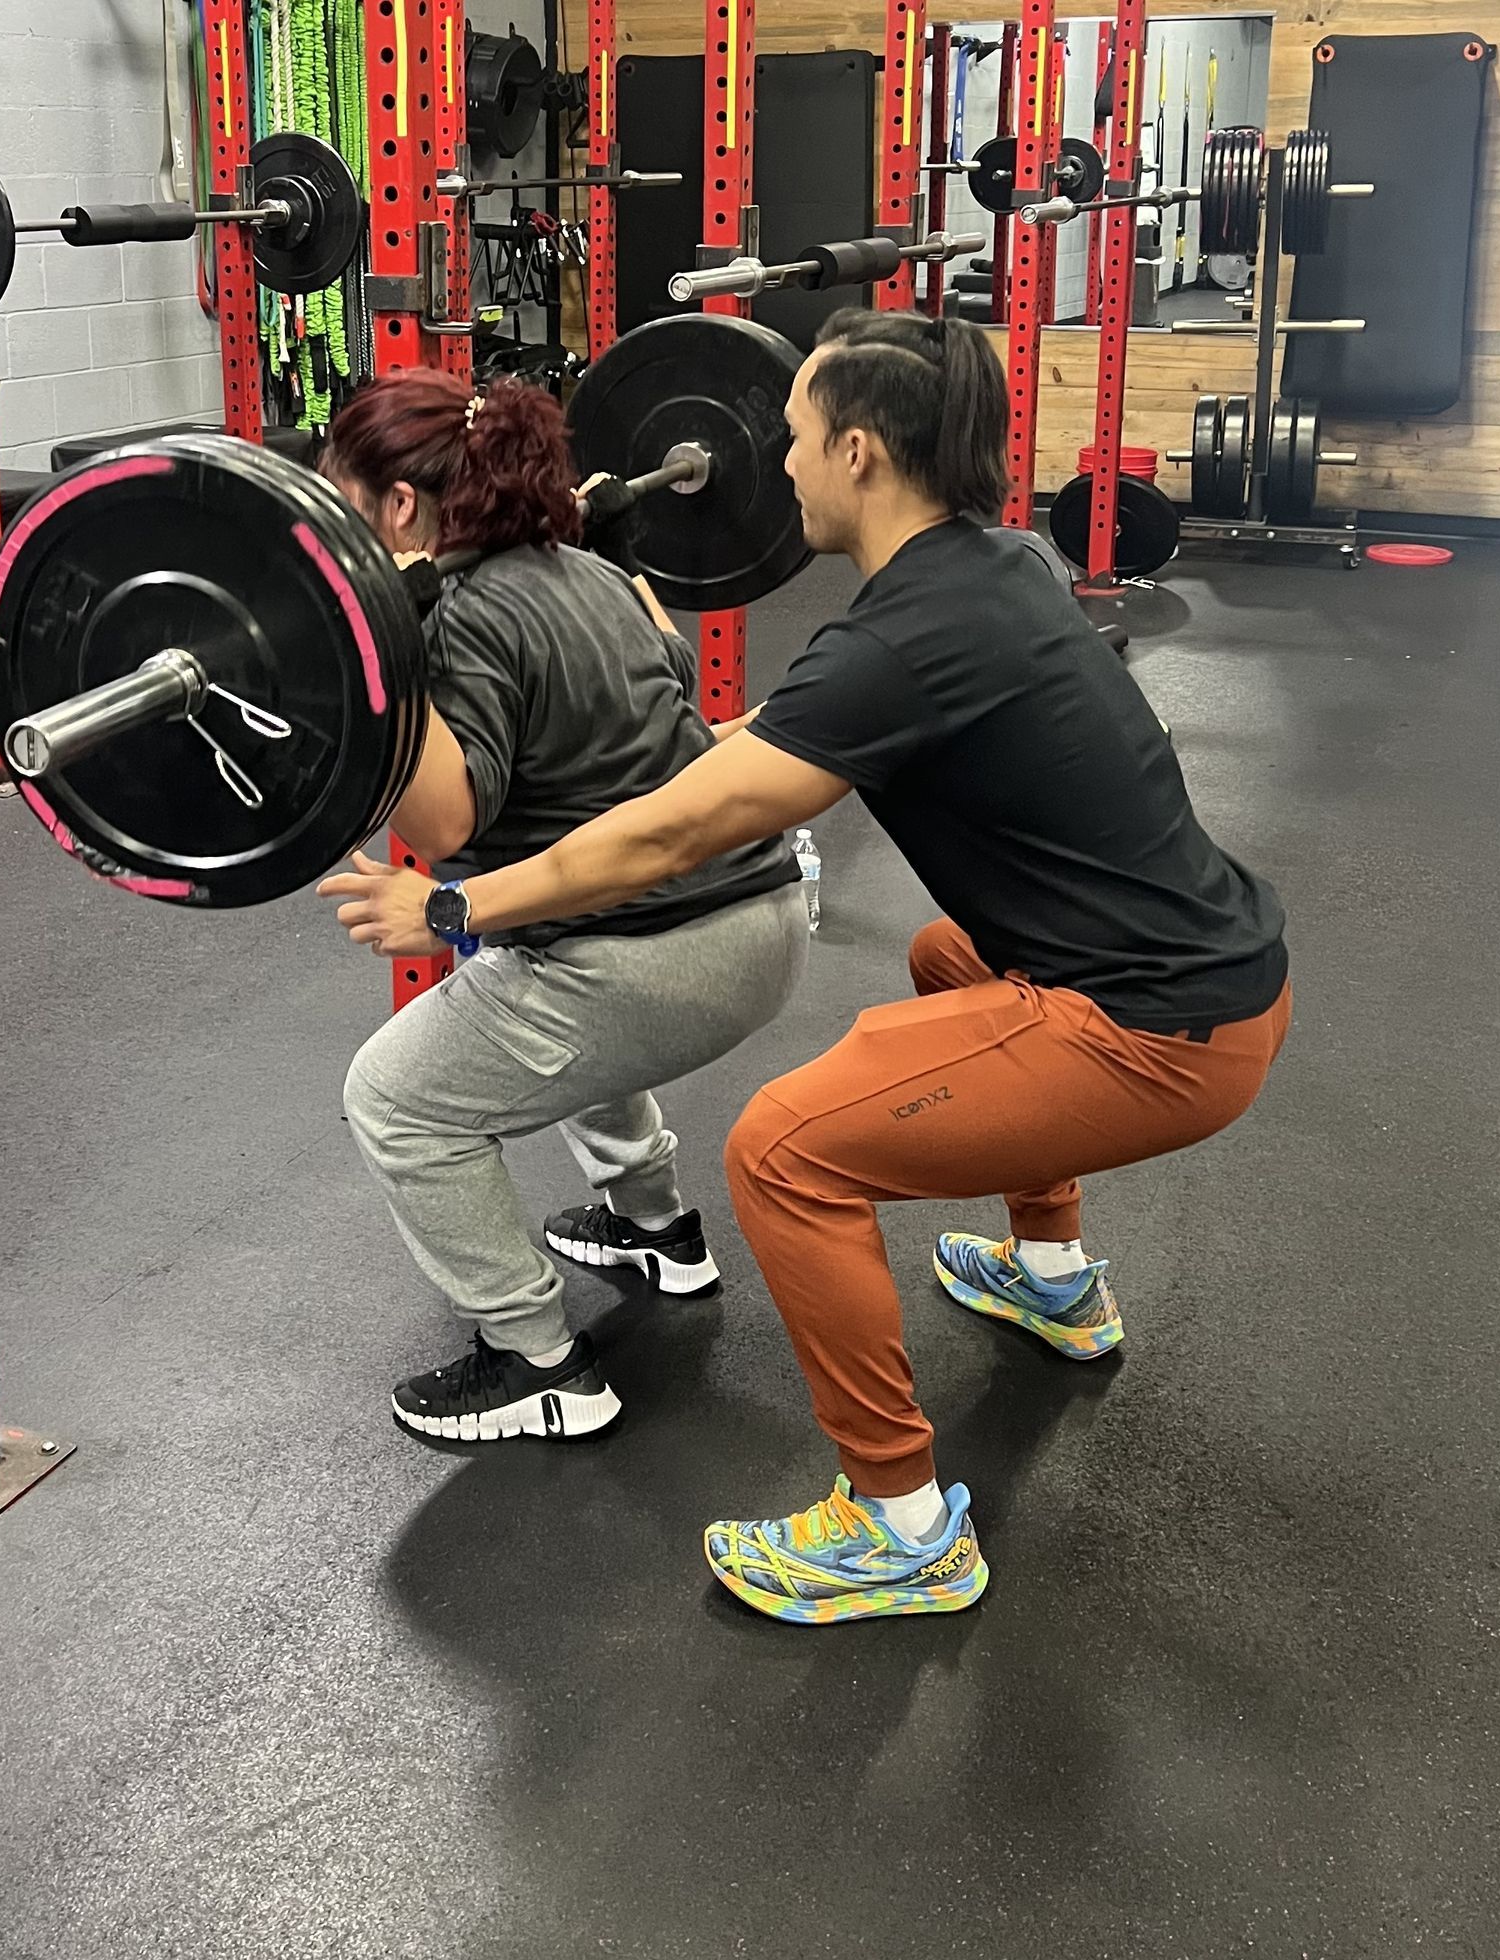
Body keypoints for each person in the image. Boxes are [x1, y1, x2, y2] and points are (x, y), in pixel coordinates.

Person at [324, 310, 1289, 1624]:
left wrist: (460, 906)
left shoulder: (897, 641)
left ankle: (898, 1525)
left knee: (784, 1151)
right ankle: (1054, 1280)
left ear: (856, 453)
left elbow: (687, 822)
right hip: (1220, 970)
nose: (766, 466)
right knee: (952, 954)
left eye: (786, 440)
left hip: (1160, 1032)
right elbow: (767, 742)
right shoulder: (991, 570)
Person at [314, 371, 809, 1447]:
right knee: (523, 963)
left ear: (399, 508)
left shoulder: (461, 617)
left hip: (655, 958)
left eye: (342, 503)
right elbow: (673, 721)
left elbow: (444, 829)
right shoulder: (594, 571)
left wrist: (376, 662)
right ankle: (656, 1228)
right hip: (764, 915)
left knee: (393, 1095)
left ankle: (537, 1360)